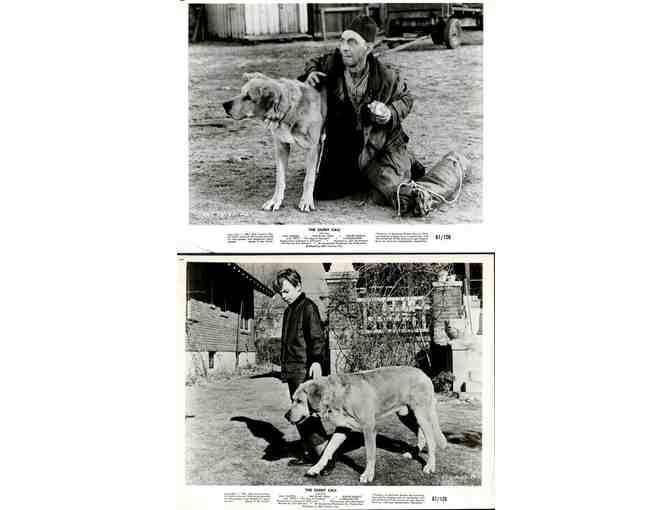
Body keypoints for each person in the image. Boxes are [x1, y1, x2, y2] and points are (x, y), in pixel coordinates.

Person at [298, 15, 424, 205]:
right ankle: (362, 169)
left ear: (369, 47)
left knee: (388, 189)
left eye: (352, 42)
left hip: (379, 140)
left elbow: (407, 99)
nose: (344, 47)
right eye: (342, 40)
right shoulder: (333, 63)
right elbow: (314, 62)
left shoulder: (386, 76)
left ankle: (406, 160)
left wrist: (389, 112)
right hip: (344, 140)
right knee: (324, 191)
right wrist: (311, 73)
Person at [274, 268, 335, 476]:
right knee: (298, 416)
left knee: (309, 416)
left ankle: (326, 459)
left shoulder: (308, 307)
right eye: (281, 292)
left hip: (304, 370)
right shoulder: (289, 310)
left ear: (298, 286)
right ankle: (311, 453)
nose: (283, 295)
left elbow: (317, 338)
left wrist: (317, 361)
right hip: (292, 369)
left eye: (286, 291)